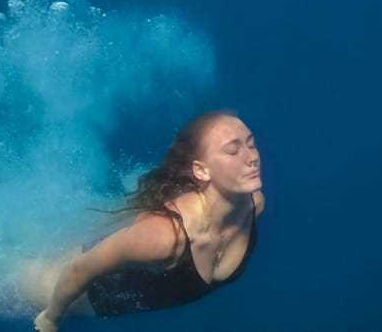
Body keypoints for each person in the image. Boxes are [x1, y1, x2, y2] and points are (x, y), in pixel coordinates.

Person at [25, 111, 264, 328]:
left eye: (251, 144)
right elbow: (79, 269)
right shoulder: (164, 237)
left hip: (111, 262)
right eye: (233, 151)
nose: (251, 157)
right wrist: (50, 318)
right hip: (67, 291)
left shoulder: (254, 205)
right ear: (201, 171)